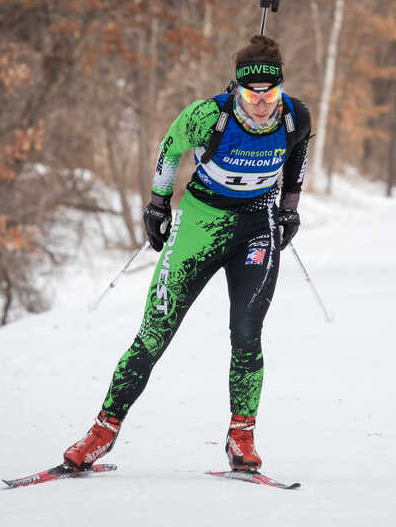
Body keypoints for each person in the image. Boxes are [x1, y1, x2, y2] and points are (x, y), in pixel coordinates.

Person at [63, 35, 311, 474]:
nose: (261, 104)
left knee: (247, 332)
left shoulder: (294, 117)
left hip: (256, 227)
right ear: (238, 88)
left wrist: (289, 210)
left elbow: (297, 161)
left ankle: (241, 437)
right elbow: (168, 149)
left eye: (270, 94)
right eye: (252, 94)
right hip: (200, 224)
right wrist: (158, 206)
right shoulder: (207, 115)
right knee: (153, 334)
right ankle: (101, 432)